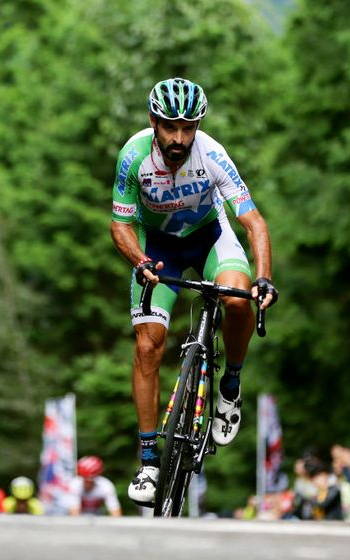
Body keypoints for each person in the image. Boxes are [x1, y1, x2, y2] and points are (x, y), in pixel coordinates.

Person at [110, 77, 277, 505]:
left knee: (237, 297)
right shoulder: (133, 156)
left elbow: (253, 222)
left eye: (189, 128)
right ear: (154, 122)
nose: (179, 138)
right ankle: (149, 461)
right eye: (170, 127)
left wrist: (263, 278)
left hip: (209, 239)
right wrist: (140, 263)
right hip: (157, 249)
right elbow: (120, 224)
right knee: (149, 346)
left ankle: (230, 388)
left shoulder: (213, 155)